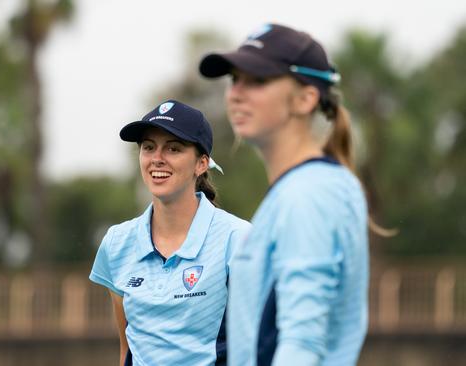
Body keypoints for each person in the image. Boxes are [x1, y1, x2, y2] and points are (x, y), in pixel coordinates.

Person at [199, 23, 370, 365]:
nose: (236, 93)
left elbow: (302, 342)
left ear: (306, 98)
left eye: (258, 80)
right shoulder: (305, 188)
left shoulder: (310, 193)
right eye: (235, 79)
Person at [89, 100, 251, 366]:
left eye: (173, 148)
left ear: (201, 163)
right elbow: (126, 350)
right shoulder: (117, 243)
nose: (157, 159)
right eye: (148, 147)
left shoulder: (238, 239)